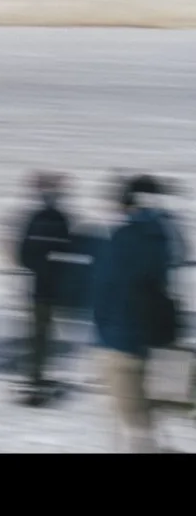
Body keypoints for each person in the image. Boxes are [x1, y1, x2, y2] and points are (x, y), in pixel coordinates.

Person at [91, 174, 174, 453]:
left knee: (130, 417)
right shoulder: (166, 234)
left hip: (120, 337)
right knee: (149, 412)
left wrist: (101, 333)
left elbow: (104, 289)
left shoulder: (122, 238)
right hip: (157, 335)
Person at [13, 171, 74, 405]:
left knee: (35, 333)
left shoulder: (36, 219)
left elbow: (23, 253)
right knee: (44, 333)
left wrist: (37, 266)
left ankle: (34, 375)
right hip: (54, 286)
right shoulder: (61, 220)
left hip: (38, 286)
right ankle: (38, 374)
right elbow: (68, 252)